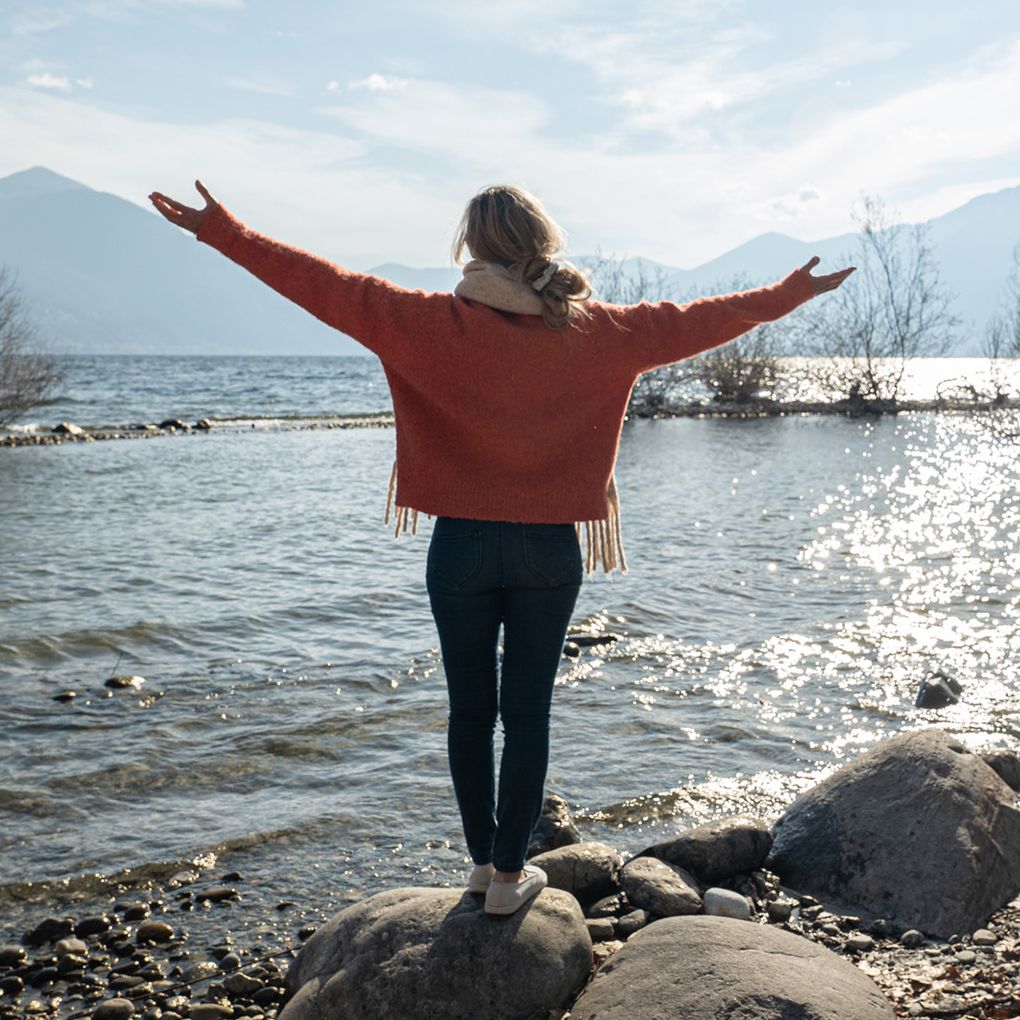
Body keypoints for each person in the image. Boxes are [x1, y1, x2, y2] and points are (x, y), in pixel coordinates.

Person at [148, 181, 854, 915]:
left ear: (473, 249)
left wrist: (224, 232)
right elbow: (699, 318)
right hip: (549, 551)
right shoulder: (601, 330)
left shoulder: (422, 322)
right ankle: (513, 877)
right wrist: (786, 294)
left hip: (461, 548)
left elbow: (324, 284)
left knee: (468, 713)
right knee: (528, 714)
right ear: (540, 241)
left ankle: (483, 865)